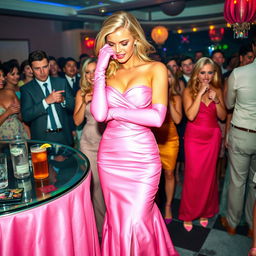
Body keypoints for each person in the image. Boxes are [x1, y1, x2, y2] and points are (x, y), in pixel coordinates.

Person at [90, 11, 179, 256]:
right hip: (110, 158)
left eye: (124, 42)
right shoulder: (107, 72)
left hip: (142, 158)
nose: (118, 49)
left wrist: (115, 111)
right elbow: (99, 114)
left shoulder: (155, 68)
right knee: (118, 221)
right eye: (111, 44)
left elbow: (156, 117)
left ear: (136, 39)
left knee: (137, 221)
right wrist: (100, 69)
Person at [179, 57, 226, 232]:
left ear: (214, 73)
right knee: (193, 176)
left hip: (212, 137)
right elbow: (190, 116)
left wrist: (217, 100)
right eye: (203, 72)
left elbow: (222, 116)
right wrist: (200, 94)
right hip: (194, 138)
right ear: (197, 73)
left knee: (208, 177)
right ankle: (189, 213)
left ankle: (205, 211)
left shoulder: (218, 90)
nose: (206, 76)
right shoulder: (189, 91)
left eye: (210, 72)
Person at [221, 38, 256, 236]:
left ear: (253, 47)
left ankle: (233, 223)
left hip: (242, 133)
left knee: (237, 181)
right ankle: (253, 227)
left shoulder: (240, 73)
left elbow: (229, 104)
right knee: (254, 183)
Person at [73, 57, 106, 240]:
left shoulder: (109, 89)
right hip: (88, 143)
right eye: (88, 72)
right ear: (83, 75)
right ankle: (99, 230)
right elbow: (77, 121)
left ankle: (111, 225)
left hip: (108, 143)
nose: (92, 75)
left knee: (107, 186)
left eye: (95, 71)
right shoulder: (81, 93)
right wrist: (85, 101)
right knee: (95, 186)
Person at [20, 50, 74, 146]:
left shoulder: (61, 82)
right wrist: (46, 102)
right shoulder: (26, 89)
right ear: (31, 70)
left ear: (49, 66)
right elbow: (26, 116)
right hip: (42, 139)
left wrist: (63, 101)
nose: (42, 72)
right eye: (37, 68)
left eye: (45, 67)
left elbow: (73, 106)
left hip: (63, 136)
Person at [153, 66, 182, 224]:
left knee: (169, 174)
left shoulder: (176, 98)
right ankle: (154, 205)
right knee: (154, 176)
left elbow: (177, 120)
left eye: (169, 77)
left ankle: (169, 206)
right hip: (154, 139)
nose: (167, 79)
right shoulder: (151, 96)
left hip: (170, 139)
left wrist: (167, 98)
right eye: (165, 77)